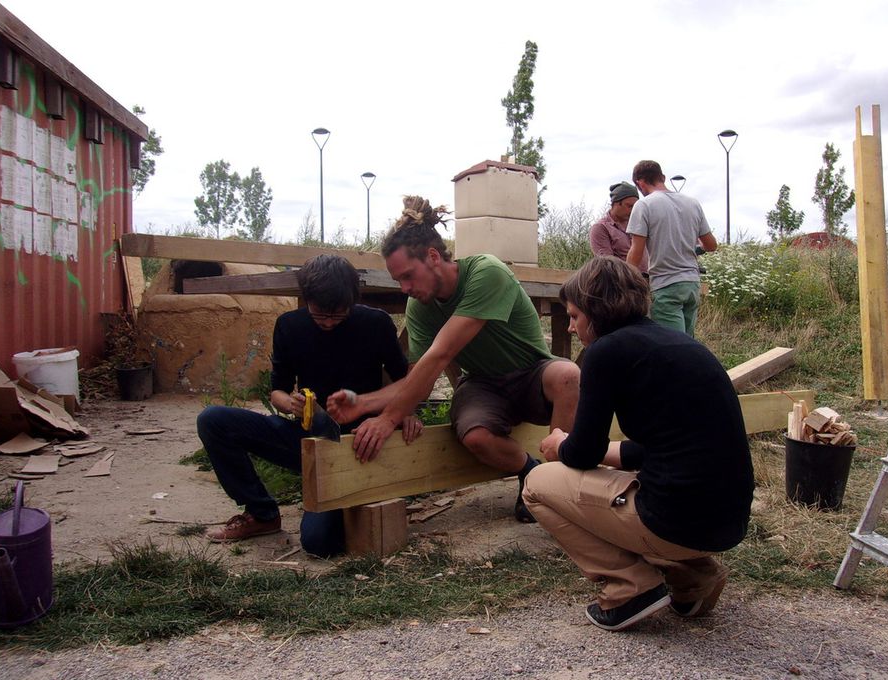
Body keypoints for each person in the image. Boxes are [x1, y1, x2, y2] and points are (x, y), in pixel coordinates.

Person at [523, 256, 753, 631]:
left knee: (537, 485)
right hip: (727, 524)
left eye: (575, 316)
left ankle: (628, 587)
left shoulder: (605, 352)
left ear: (595, 312)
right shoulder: (680, 344)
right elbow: (659, 448)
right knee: (647, 481)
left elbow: (581, 453)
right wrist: (605, 454)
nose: (571, 325)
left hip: (672, 523)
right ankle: (695, 577)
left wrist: (559, 444)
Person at [327, 196, 580, 523]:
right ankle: (530, 471)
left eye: (407, 276)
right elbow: (417, 378)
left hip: (532, 373)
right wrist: (364, 403)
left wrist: (388, 418)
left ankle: (557, 484)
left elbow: (441, 354)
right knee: (474, 435)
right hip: (484, 384)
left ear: (433, 256)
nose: (404, 288)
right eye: (398, 281)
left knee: (568, 374)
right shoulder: (419, 308)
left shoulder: (486, 272)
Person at [196, 254, 420, 555]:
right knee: (213, 420)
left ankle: (347, 494)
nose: (328, 322)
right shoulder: (289, 325)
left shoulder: (375, 323)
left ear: (352, 301)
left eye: (337, 315)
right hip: (310, 438)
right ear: (307, 299)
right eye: (319, 314)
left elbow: (405, 380)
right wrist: (290, 404)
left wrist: (404, 412)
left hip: (361, 443)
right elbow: (277, 390)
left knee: (319, 543)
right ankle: (262, 514)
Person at [625, 160, 717, 337]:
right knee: (687, 343)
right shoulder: (692, 203)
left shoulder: (644, 205)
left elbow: (636, 251)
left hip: (666, 285)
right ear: (663, 177)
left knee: (671, 345)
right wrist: (694, 248)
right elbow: (711, 245)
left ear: (640, 183)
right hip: (691, 284)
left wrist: (625, 281)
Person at [589, 181, 647, 275]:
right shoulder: (601, 228)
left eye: (636, 206)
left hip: (648, 282)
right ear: (616, 203)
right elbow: (608, 265)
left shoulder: (639, 225)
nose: (633, 210)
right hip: (621, 285)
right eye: (629, 206)